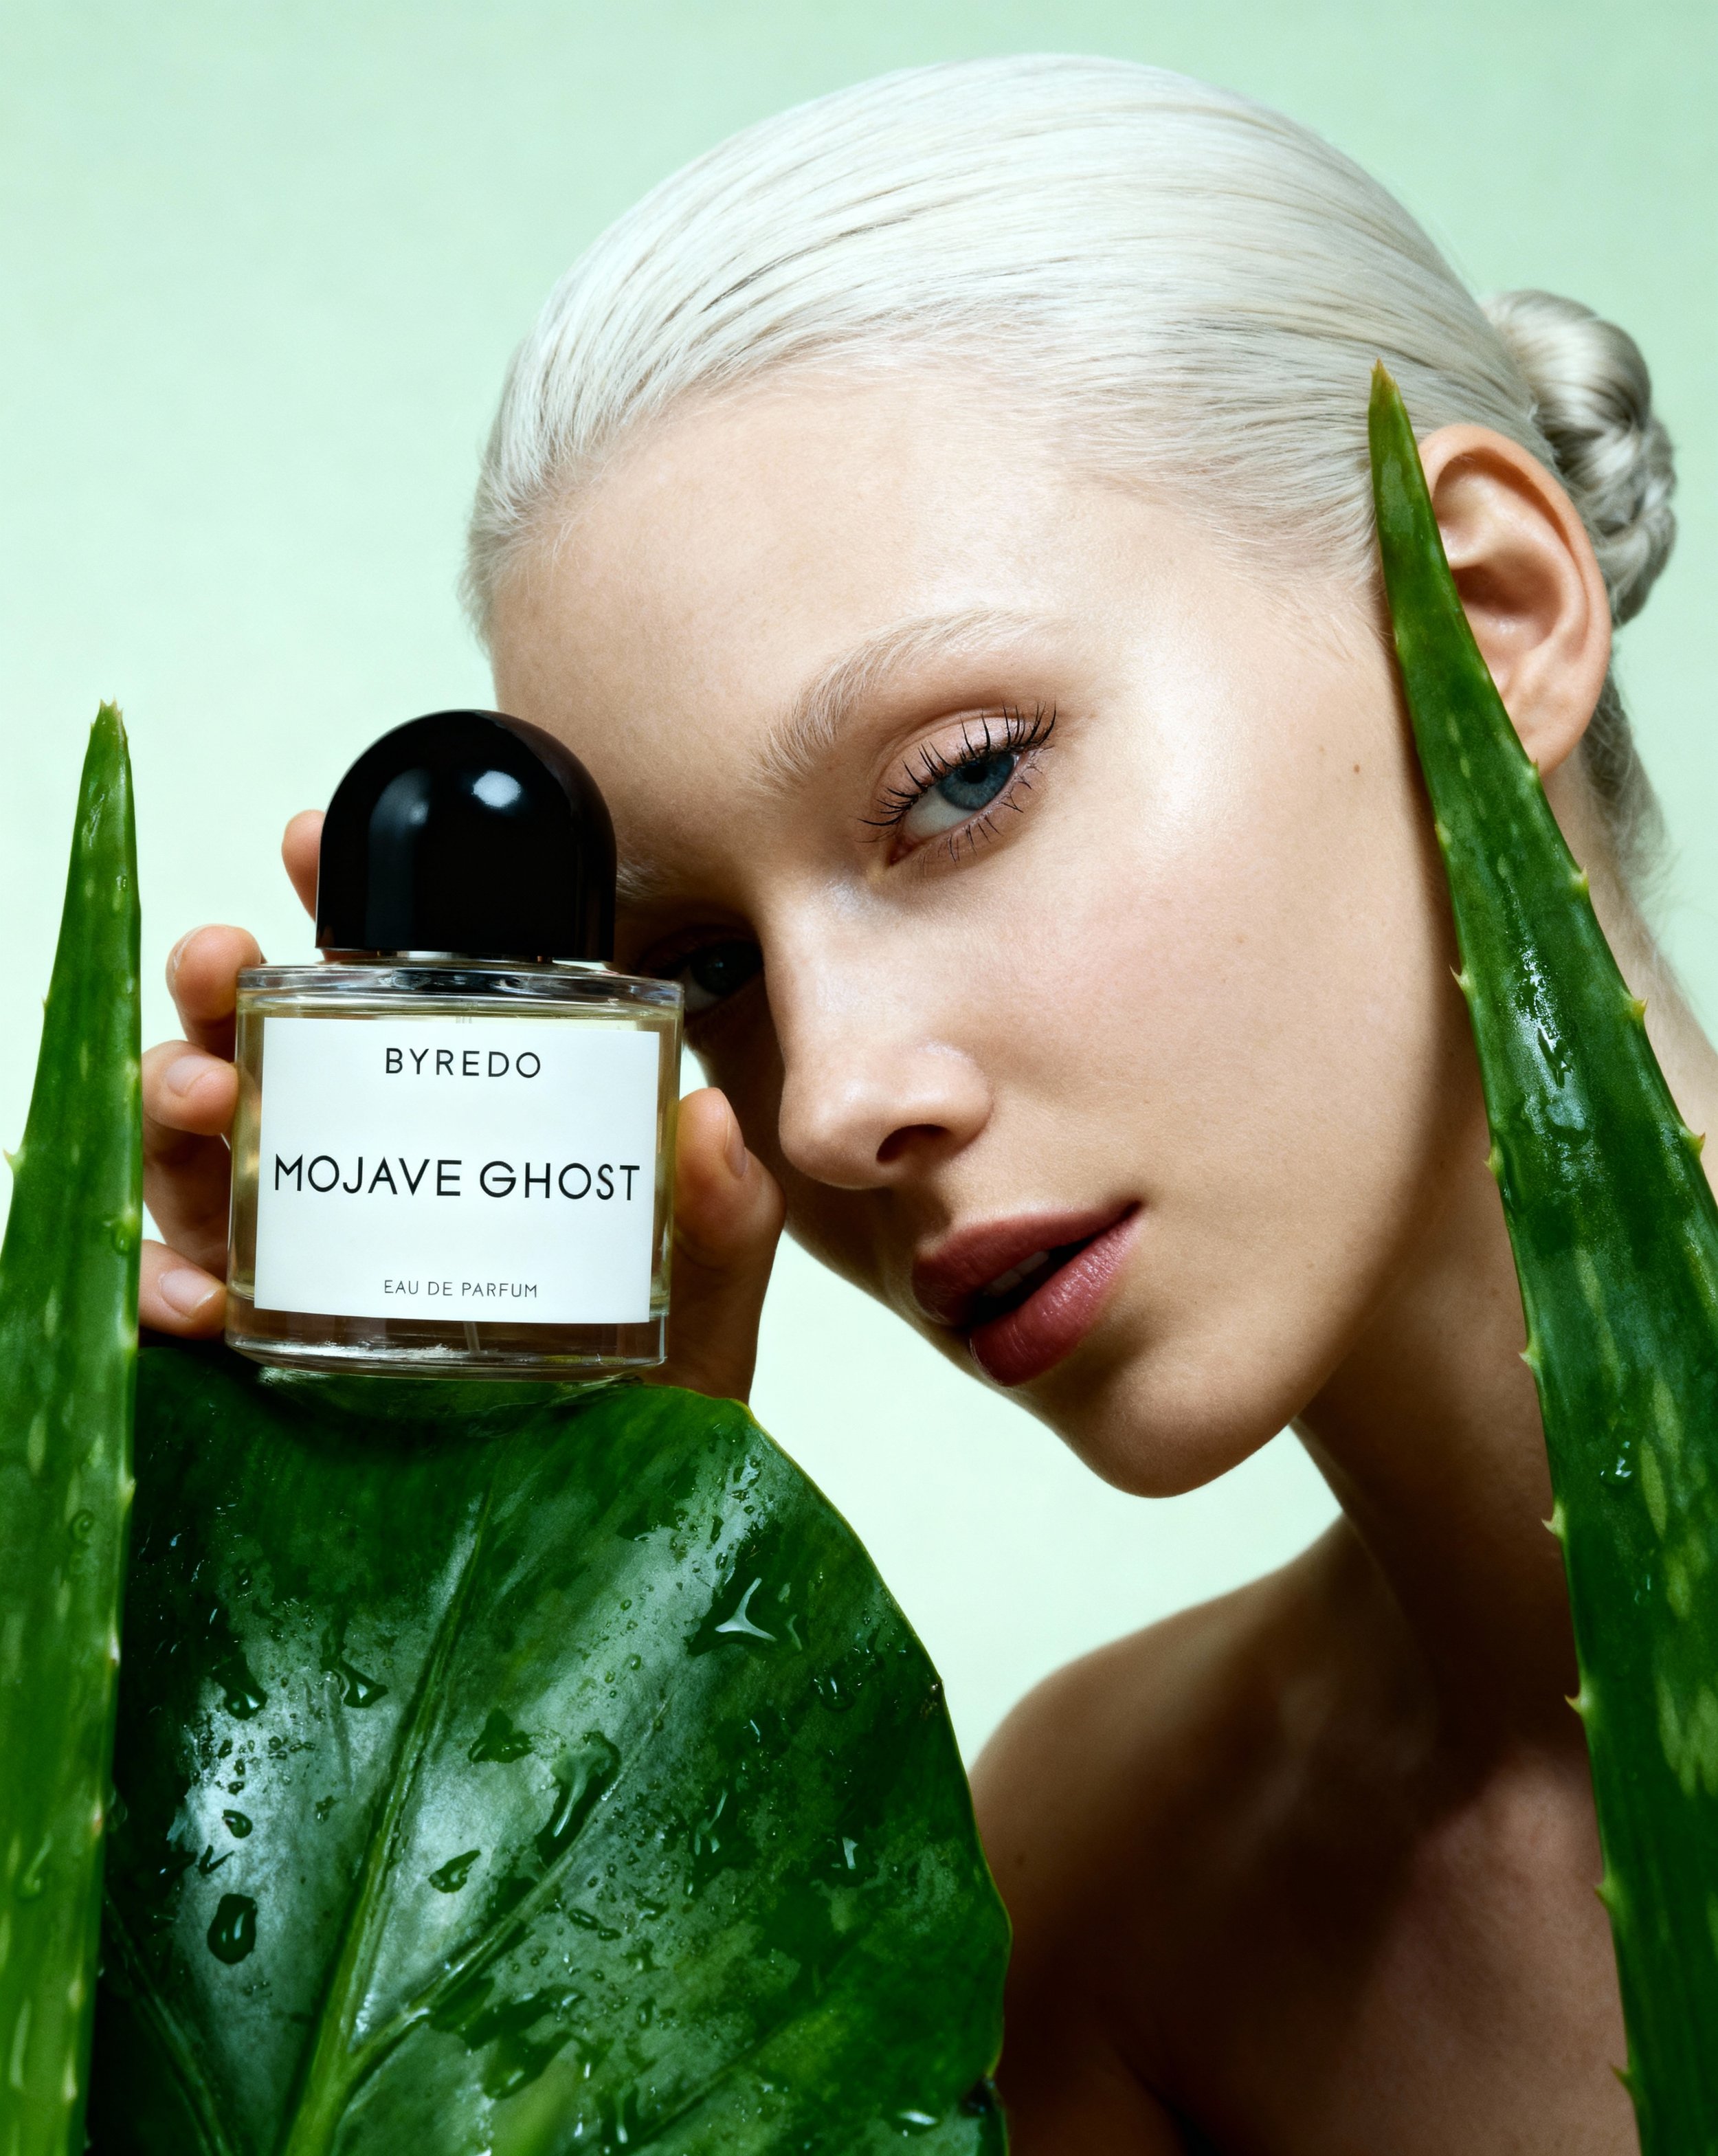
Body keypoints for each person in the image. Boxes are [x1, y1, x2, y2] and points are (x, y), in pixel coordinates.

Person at [136, 56, 1684, 2152]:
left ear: (1483, 615)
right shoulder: (1111, 1877)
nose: (833, 1100)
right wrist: (561, 1640)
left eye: (962, 782)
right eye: (699, 971)